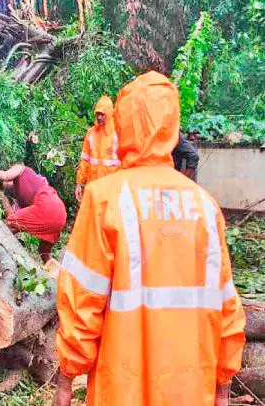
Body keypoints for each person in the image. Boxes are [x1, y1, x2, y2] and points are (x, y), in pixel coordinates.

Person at [53, 71, 246, 406]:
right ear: (172, 124)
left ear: (123, 124)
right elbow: (227, 306)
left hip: (122, 390)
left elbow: (82, 301)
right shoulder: (205, 206)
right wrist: (223, 386)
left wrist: (66, 378)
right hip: (191, 390)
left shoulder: (104, 201)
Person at [0, 164, 67, 262]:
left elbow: (4, 176)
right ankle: (56, 273)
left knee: (7, 226)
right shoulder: (24, 189)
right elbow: (16, 222)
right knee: (44, 252)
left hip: (48, 206)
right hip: (60, 214)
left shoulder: (21, 169)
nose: (5, 183)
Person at [74, 95, 120, 201]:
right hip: (93, 188)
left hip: (112, 189)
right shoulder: (91, 134)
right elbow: (84, 161)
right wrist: (79, 183)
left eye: (102, 114)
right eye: (97, 114)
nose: (99, 117)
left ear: (109, 114)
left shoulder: (117, 134)